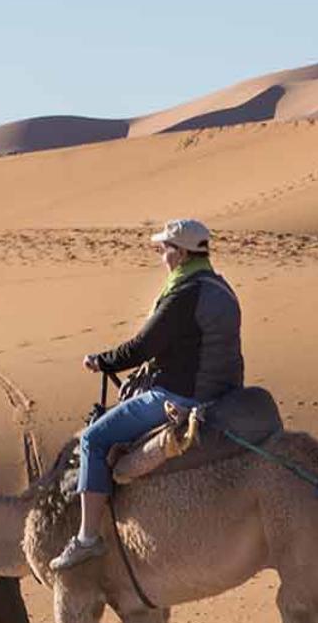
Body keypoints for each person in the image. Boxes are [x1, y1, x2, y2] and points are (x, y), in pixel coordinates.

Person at [50, 219, 244, 571]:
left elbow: (142, 347)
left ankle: (88, 538)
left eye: (165, 249)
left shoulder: (184, 294)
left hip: (182, 397)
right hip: (224, 391)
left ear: (181, 253)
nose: (162, 256)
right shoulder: (221, 287)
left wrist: (101, 361)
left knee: (94, 439)